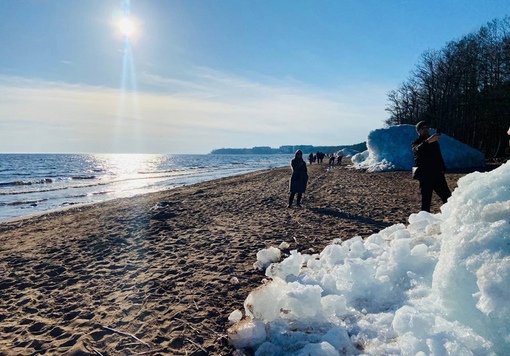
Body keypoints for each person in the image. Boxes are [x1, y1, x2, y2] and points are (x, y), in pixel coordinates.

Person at [411, 121, 451, 212]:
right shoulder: (416, 143)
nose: (425, 130)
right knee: (426, 201)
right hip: (425, 176)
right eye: (422, 128)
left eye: (426, 128)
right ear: (418, 131)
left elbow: (438, 156)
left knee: (448, 198)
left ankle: (449, 217)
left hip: (437, 174)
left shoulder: (434, 142)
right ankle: (424, 222)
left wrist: (442, 167)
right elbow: (417, 149)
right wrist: (428, 141)